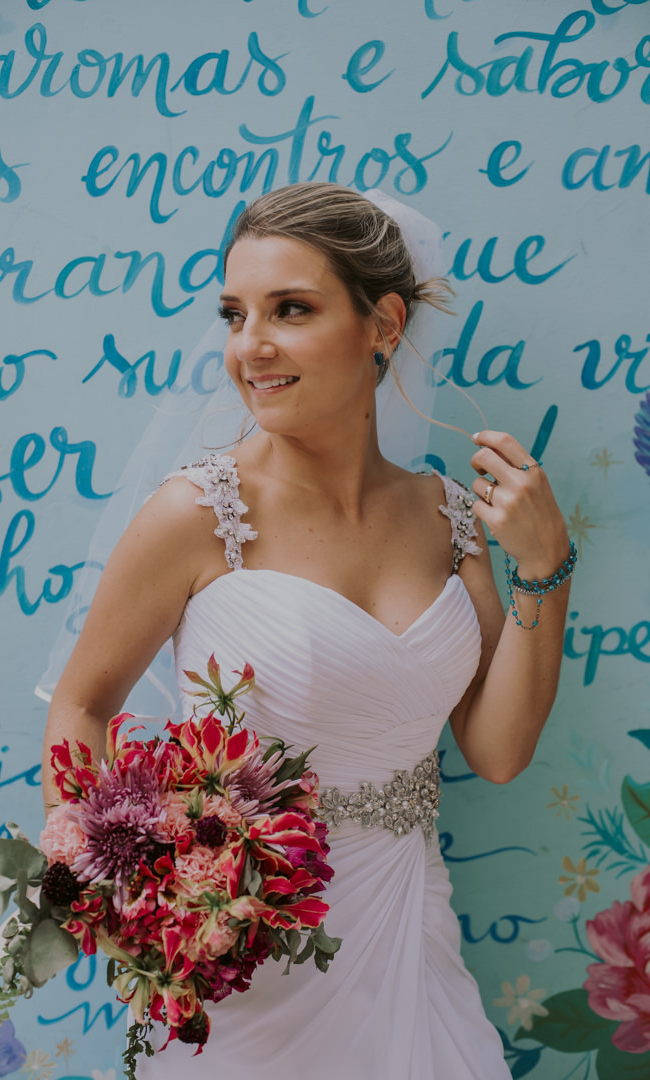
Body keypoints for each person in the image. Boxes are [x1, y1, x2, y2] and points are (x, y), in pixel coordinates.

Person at [42, 182, 572, 1079]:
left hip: (407, 924)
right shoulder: (195, 513)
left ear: (384, 322)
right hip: (243, 956)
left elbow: (496, 750)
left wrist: (543, 567)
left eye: (290, 309)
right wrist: (127, 892)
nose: (251, 346)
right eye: (235, 313)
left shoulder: (447, 517)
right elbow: (81, 704)